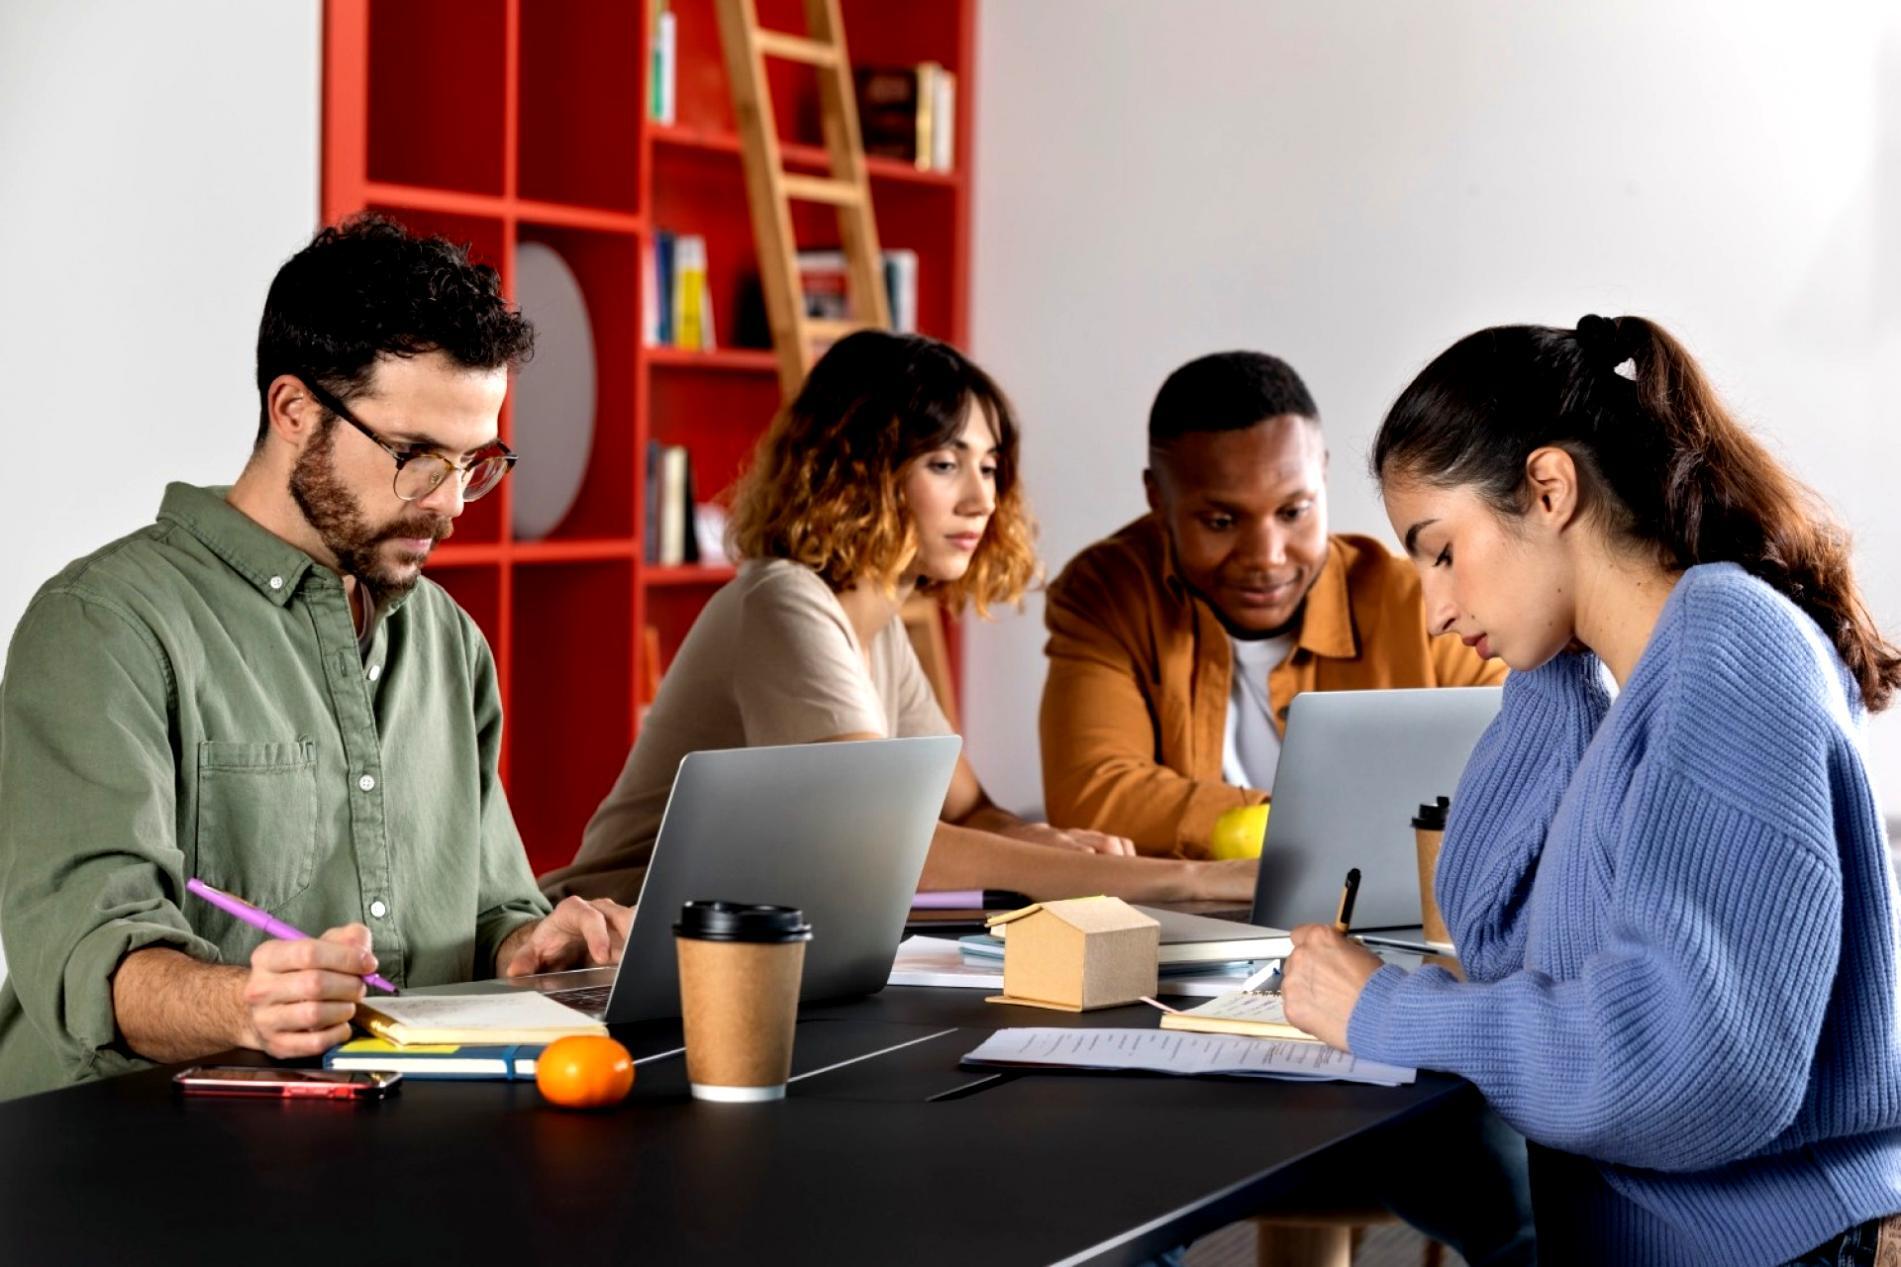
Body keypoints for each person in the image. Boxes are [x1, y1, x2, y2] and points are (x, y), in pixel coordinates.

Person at [1282, 315, 1901, 1265]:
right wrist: (1550, 669)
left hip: (1792, 1246)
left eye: (1441, 551)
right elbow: (1499, 941)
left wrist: (1385, 1008)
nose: (1437, 608)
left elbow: (1684, 1061)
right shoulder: (1633, 681)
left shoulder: (1726, 647)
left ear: (1547, 487)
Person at [0, 216, 632, 1100]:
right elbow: (84, 959)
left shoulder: (446, 639)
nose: (450, 505)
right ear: (293, 410)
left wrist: (528, 946)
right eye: (416, 458)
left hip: (373, 1146)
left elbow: (492, 905)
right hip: (127, 1158)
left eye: (472, 462)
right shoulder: (103, 625)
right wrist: (241, 1006)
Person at [542, 331, 1257, 905]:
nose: (981, 498)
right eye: (945, 464)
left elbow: (968, 811)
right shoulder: (784, 602)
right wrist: (1182, 879)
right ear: (858, 470)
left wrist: (1053, 843)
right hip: (603, 950)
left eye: (990, 464)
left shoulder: (876, 628)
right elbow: (889, 847)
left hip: (737, 951)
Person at [1040, 351, 1504, 856]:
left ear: (1322, 476)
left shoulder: (1418, 600)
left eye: (1293, 511)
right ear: (1157, 498)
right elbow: (1090, 795)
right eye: (1220, 522)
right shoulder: (1106, 591)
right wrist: (1303, 825)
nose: (1267, 557)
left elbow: (1522, 760)